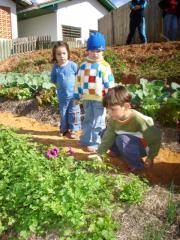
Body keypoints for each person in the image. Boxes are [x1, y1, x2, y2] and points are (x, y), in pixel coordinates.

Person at [89, 85, 161, 172]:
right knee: (105, 133)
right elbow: (108, 138)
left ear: (126, 106)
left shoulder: (140, 120)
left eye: (113, 109)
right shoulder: (114, 119)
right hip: (127, 143)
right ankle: (118, 152)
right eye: (107, 110)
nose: (109, 113)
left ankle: (137, 166)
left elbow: (155, 139)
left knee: (122, 139)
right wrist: (99, 154)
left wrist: (150, 157)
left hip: (142, 147)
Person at [74, 32, 115, 152]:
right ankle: (85, 139)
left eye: (98, 50)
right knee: (88, 119)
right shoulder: (83, 66)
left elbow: (110, 83)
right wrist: (77, 95)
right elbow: (78, 82)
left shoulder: (104, 66)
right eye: (92, 50)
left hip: (100, 99)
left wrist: (110, 99)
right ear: (87, 51)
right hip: (87, 98)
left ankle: (97, 142)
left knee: (99, 121)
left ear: (103, 51)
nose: (95, 54)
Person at [51, 41, 81, 139]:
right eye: (58, 54)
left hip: (74, 95)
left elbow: (79, 77)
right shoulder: (55, 67)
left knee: (74, 112)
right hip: (62, 96)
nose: (62, 56)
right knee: (63, 112)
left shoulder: (73, 65)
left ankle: (73, 130)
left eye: (64, 53)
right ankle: (64, 129)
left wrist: (78, 91)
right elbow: (54, 80)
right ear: (55, 56)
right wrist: (59, 89)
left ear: (68, 53)